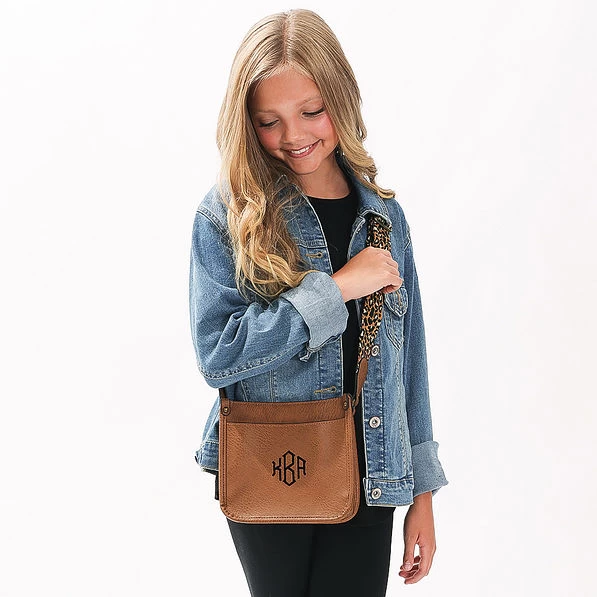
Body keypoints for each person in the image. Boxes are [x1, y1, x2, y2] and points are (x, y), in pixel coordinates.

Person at [189, 9, 448, 597]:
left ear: (341, 97)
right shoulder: (228, 215)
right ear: (246, 122)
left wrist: (423, 492)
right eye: (269, 121)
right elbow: (218, 355)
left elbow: (409, 361)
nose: (293, 135)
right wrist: (336, 290)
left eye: (311, 111)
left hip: (372, 466)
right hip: (271, 459)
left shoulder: (383, 218)